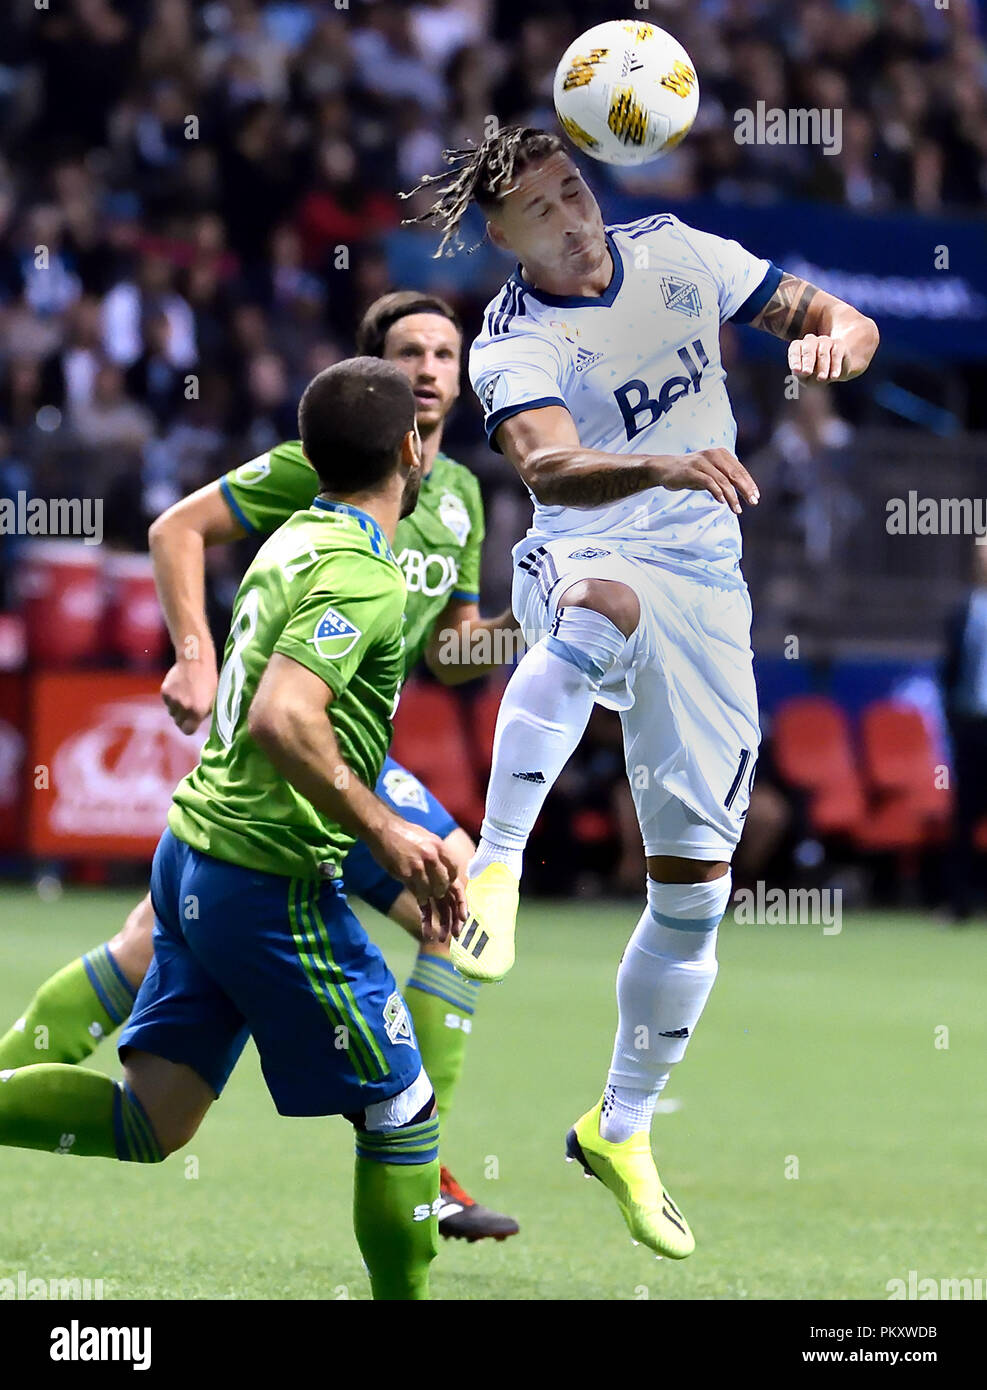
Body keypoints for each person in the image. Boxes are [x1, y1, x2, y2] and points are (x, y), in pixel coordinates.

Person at [404, 126, 880, 1258]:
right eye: (541, 207)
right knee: (599, 602)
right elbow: (549, 468)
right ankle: (500, 864)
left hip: (711, 587)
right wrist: (668, 461)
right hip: (588, 545)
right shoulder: (510, 340)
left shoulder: (677, 251)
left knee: (697, 890)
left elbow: (827, 313)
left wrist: (837, 344)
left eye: (574, 187)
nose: (572, 214)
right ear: (502, 237)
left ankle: (618, 1127)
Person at [0, 292, 520, 1242]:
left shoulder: (460, 499)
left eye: (448, 353)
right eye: (411, 354)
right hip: (286, 771)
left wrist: (539, 632)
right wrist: (194, 651)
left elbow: (450, 657)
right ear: (378, 377)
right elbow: (175, 532)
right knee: (150, 947)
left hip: (336, 766)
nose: (433, 370)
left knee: (458, 913)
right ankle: (414, 1147)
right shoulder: (322, 471)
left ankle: (424, 1160)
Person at [941, 539, 987, 920]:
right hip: (971, 726)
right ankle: (959, 903)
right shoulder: (963, 612)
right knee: (965, 815)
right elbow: (948, 672)